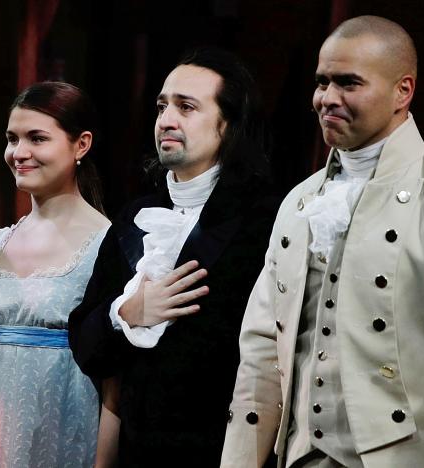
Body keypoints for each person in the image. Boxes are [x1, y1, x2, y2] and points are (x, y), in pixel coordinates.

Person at [221, 15, 424, 467]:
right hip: (302, 456)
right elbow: (262, 352)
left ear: (403, 91)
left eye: (348, 83)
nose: (327, 98)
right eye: (321, 82)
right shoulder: (299, 203)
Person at [68, 47, 274, 466]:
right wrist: (127, 314)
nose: (166, 119)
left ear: (228, 123)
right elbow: (86, 344)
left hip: (224, 447)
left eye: (186, 106)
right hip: (136, 450)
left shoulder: (265, 218)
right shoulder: (134, 217)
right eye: (162, 106)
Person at [0, 82, 113, 468]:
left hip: (66, 428)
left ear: (80, 145)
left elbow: (113, 382)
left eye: (37, 138)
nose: (19, 153)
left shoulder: (108, 244)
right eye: (12, 139)